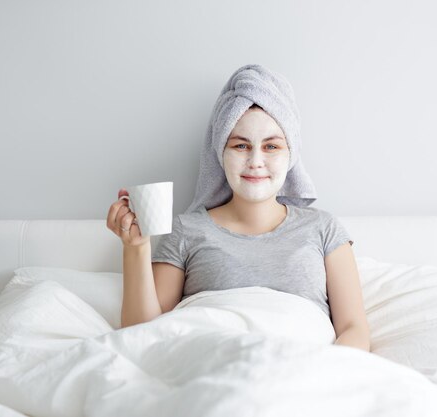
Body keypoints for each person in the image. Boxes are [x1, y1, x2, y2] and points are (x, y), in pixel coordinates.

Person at [106, 65, 370, 351]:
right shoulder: (187, 229)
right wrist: (135, 247)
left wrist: (328, 373)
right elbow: (141, 336)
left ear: (291, 154)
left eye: (271, 147)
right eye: (241, 146)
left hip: (301, 369)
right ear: (220, 153)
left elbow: (354, 329)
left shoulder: (323, 229)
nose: (256, 161)